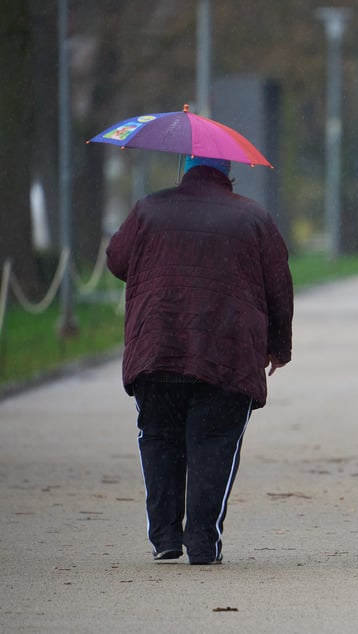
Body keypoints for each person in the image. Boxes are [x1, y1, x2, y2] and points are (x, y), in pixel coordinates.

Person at [106, 155, 294, 565]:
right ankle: (203, 541)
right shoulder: (252, 217)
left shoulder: (149, 209)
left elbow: (117, 262)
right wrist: (278, 346)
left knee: (159, 439)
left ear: (184, 169)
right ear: (228, 172)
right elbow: (279, 284)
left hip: (156, 347)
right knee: (216, 443)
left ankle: (165, 536)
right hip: (226, 353)